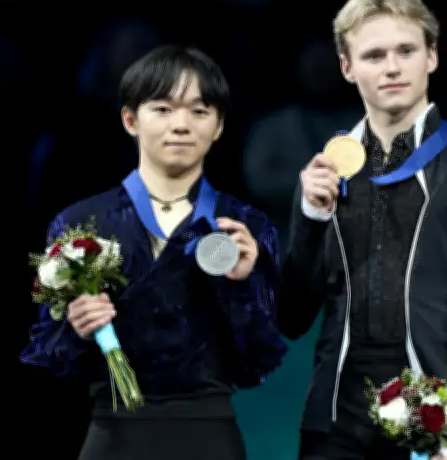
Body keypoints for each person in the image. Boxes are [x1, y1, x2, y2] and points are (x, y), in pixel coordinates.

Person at [279, 0, 447, 460]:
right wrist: (309, 218)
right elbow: (291, 318)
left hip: (434, 419)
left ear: (432, 57)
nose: (392, 67)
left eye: (406, 51)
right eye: (373, 55)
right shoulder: (325, 171)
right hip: (334, 423)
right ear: (347, 68)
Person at [20, 45, 286, 460]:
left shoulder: (246, 226)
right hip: (113, 433)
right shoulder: (81, 223)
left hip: (209, 434)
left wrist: (242, 287)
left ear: (218, 126)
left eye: (199, 111)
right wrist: (76, 327)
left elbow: (257, 364)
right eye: (162, 109)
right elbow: (50, 357)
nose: (181, 125)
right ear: (130, 119)